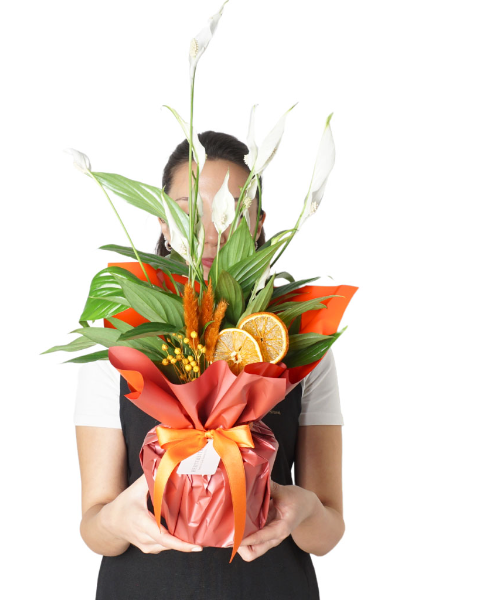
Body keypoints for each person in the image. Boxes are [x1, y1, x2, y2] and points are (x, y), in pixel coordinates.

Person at [74, 131, 346, 599]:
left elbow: (328, 531)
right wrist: (115, 520)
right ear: (163, 221)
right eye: (187, 209)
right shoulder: (122, 337)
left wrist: (302, 509)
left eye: (233, 210)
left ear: (259, 223)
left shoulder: (292, 339)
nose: (210, 230)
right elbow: (94, 525)